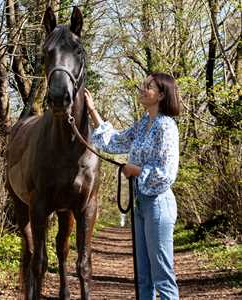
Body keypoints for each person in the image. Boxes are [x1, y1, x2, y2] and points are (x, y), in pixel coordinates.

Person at [85, 72, 180, 300]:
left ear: (161, 95)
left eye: (149, 86)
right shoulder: (144, 124)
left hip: (159, 205)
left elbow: (167, 173)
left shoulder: (166, 127)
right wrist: (92, 111)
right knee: (143, 277)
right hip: (140, 203)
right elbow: (116, 141)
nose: (142, 88)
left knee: (162, 276)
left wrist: (135, 170)